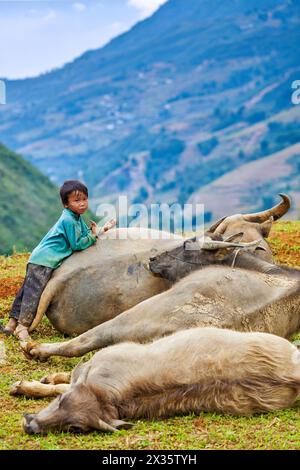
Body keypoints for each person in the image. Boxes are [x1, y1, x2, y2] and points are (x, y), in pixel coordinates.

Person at [0, 180, 116, 341]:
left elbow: (86, 233)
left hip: (39, 258)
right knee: (34, 294)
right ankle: (22, 327)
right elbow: (78, 244)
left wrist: (102, 229)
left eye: (84, 199)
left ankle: (11, 325)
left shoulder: (76, 217)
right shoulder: (68, 220)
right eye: (77, 201)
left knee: (26, 291)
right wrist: (95, 234)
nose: (82, 204)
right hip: (44, 261)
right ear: (66, 204)